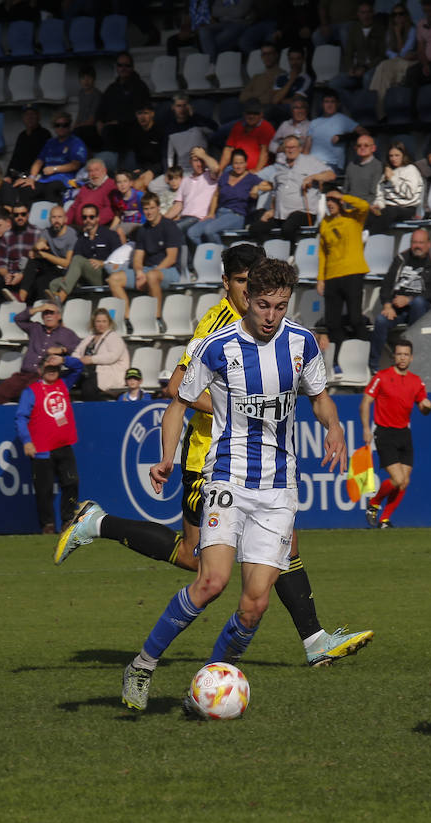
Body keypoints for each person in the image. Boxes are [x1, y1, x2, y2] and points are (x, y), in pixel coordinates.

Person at [56, 245, 373, 667]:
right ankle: (101, 525)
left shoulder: (289, 335)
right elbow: (176, 387)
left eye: (253, 280)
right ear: (228, 283)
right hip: (211, 457)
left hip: (260, 466)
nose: (250, 293)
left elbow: (314, 395)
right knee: (210, 566)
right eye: (241, 281)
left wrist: (326, 423)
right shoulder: (218, 327)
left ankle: (312, 640)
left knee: (236, 556)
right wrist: (239, 405)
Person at [119, 258, 353, 712]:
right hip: (226, 476)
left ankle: (203, 690)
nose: (271, 316)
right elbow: (178, 403)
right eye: (263, 305)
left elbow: (321, 399)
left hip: (279, 490)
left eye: (280, 306)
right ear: (247, 299)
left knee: (254, 606)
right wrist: (166, 457)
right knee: (211, 582)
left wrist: (334, 427)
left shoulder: (302, 343)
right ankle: (142, 666)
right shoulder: (217, 346)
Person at [360, 340, 431, 528]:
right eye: (399, 354)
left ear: (411, 357)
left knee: (404, 482)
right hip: (385, 433)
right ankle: (374, 503)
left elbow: (423, 405)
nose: (402, 357)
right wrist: (366, 429)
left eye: (406, 354)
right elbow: (366, 402)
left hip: (404, 434)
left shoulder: (416, 381)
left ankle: (384, 520)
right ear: (394, 356)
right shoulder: (382, 377)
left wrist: (427, 407)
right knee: (397, 479)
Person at [16, 356, 80, 535]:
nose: (52, 371)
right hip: (42, 449)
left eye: (55, 368)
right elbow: (21, 417)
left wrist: (63, 358)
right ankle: (48, 525)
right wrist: (26, 441)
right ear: (40, 370)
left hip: (64, 444)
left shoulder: (63, 384)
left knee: (71, 482)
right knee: (43, 490)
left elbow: (78, 368)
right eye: (48, 368)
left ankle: (67, 519)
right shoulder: (32, 391)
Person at [369, 229, 431, 370]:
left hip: (421, 309)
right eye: (414, 242)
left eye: (421, 243)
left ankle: (413, 355)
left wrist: (409, 299)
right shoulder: (401, 260)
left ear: (428, 244)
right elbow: (386, 285)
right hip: (398, 309)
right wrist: (387, 305)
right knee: (380, 321)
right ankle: (373, 367)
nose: (417, 246)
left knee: (418, 303)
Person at [0, 290, 81, 404]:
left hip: (43, 376)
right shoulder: (36, 328)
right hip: (24, 375)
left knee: (29, 394)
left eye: (52, 312)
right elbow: (18, 319)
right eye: (45, 313)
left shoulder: (67, 333)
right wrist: (38, 308)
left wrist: (62, 350)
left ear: (58, 316)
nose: (48, 315)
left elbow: (80, 348)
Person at [110, 193, 182, 334]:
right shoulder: (143, 230)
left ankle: (157, 318)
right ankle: (128, 318)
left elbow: (171, 258)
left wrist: (150, 273)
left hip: (169, 270)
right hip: (148, 269)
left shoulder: (169, 226)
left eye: (152, 208)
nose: (149, 212)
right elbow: (138, 258)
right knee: (114, 279)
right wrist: (139, 273)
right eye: (146, 209)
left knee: (152, 276)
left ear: (158, 208)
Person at [317, 189, 371, 372]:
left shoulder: (354, 217)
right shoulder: (325, 222)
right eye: (328, 200)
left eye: (334, 200)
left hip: (353, 273)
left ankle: (368, 360)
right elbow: (322, 252)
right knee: (332, 322)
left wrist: (344, 196)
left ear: (340, 201)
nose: (330, 203)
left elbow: (364, 206)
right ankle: (339, 362)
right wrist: (320, 279)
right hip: (332, 276)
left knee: (356, 319)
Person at [250, 135, 335, 244]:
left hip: (303, 212)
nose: (290, 150)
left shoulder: (310, 161)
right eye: (287, 147)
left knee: (288, 228)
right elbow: (276, 192)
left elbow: (331, 175)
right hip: (280, 214)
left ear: (300, 148)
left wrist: (313, 177)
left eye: (293, 147)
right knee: (255, 228)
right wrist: (272, 210)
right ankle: (267, 253)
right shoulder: (280, 166)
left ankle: (292, 253)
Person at [187, 147, 261, 247]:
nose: (238, 166)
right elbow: (216, 195)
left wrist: (256, 188)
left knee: (209, 230)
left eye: (241, 163)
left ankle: (225, 255)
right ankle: (207, 255)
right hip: (219, 213)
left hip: (236, 215)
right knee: (192, 233)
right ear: (231, 164)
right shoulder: (225, 176)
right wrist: (211, 213)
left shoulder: (251, 178)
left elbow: (269, 185)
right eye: (235, 163)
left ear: (246, 163)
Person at [49, 203, 121, 301]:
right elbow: (74, 263)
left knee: (78, 259)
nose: (88, 220)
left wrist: (103, 263)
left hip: (104, 276)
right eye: (84, 217)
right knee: (54, 283)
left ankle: (59, 300)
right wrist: (67, 276)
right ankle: (58, 312)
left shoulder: (110, 235)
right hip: (84, 278)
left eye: (91, 217)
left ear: (98, 218)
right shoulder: (81, 239)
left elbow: (120, 259)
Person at [23, 111, 88, 202]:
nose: (61, 128)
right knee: (27, 188)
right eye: (58, 125)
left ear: (69, 126)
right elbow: (39, 161)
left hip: (66, 180)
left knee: (51, 189)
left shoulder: (76, 142)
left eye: (64, 125)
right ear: (54, 127)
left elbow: (75, 165)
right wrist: (32, 178)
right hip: (45, 179)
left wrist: (54, 169)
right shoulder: (50, 142)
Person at [68, 308, 129, 401]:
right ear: (94, 323)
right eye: (98, 321)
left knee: (88, 380)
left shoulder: (114, 337)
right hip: (87, 372)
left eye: (104, 321)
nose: (101, 324)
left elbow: (113, 356)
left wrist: (91, 359)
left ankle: (90, 409)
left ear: (109, 322)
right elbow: (76, 353)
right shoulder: (90, 338)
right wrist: (79, 360)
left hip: (107, 374)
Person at [368, 140, 423, 233]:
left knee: (390, 211)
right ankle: (363, 234)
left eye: (397, 155)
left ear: (403, 155)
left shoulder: (411, 169)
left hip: (407, 208)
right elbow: (381, 194)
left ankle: (370, 235)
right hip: (388, 208)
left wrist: (393, 179)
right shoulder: (387, 172)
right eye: (391, 156)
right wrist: (378, 205)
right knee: (368, 211)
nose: (393, 159)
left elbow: (409, 194)